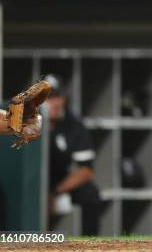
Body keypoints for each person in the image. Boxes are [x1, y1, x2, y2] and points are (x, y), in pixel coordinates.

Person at [43, 75, 101, 236]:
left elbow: (86, 170)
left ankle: (90, 244)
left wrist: (55, 192)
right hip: (30, 180)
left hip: (58, 182)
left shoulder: (72, 124)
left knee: (90, 193)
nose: (53, 103)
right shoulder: (26, 120)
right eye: (47, 97)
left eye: (57, 97)